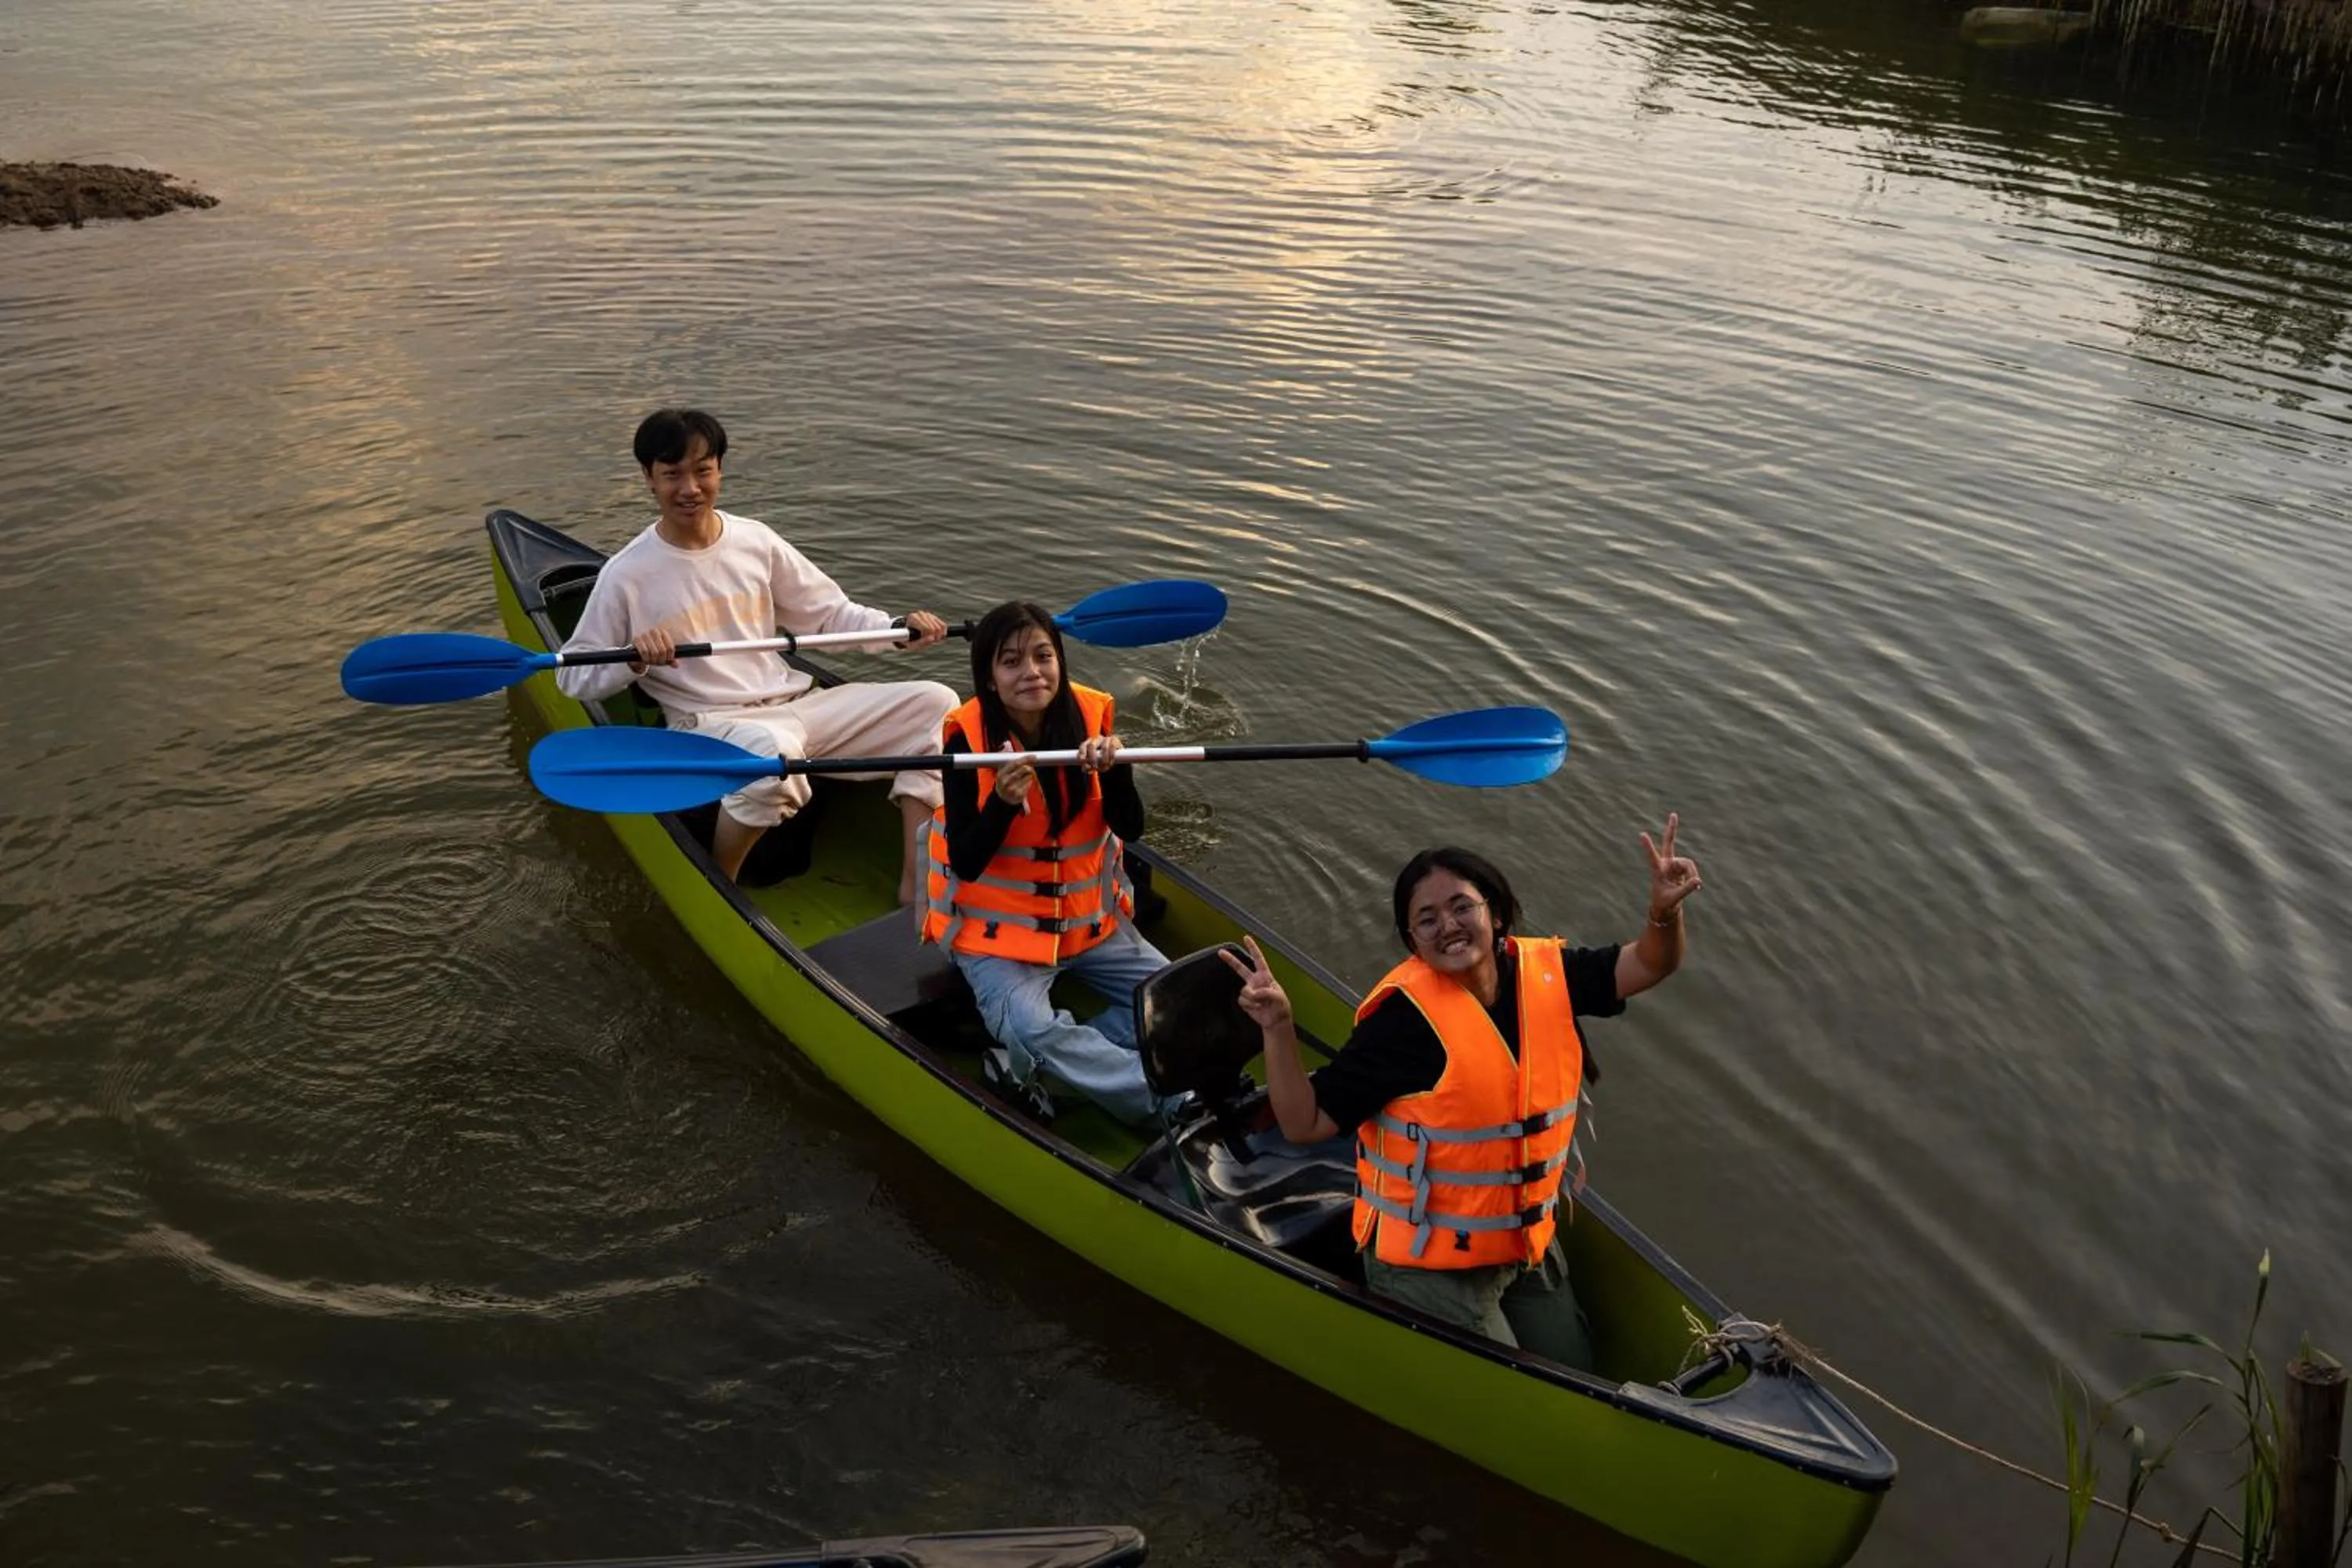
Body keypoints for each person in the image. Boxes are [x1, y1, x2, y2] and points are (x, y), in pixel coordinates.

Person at [1222, 823, 1704, 1370]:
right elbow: (1305, 1123)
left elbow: (1650, 963)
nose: (1448, 926)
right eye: (1427, 920)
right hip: (1429, 1260)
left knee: (1577, 1371)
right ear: (1413, 942)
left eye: (1461, 907)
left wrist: (1663, 913)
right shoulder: (1403, 1025)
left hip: (1520, 1243)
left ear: (1495, 914)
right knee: (1521, 1395)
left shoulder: (1549, 976)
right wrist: (1279, 1026)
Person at [554, 408, 958, 900]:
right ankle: (720, 883)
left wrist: (896, 630)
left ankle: (916, 883)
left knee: (938, 705)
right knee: (772, 756)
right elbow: (572, 678)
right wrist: (633, 657)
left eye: (703, 471)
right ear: (649, 478)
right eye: (673, 474)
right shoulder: (626, 574)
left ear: (720, 470)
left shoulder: (755, 541)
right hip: (708, 724)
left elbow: (829, 616)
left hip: (794, 706)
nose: (690, 488)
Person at [919, 601, 1176, 1127]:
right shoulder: (966, 739)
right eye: (1011, 662)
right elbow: (966, 861)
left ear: (1060, 661)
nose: (1032, 673)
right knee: (1032, 1028)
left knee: (1181, 997)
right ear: (990, 679)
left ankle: (1037, 1071)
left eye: (1043, 656)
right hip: (999, 939)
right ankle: (1165, 1100)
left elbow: (1130, 829)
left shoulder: (1091, 719)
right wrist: (1001, 805)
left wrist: (1119, 770)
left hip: (1090, 925)